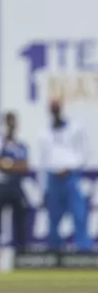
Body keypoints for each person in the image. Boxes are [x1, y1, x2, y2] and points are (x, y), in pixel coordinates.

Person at [38, 99, 92, 252]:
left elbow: (85, 152)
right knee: (53, 218)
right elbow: (42, 161)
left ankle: (83, 250)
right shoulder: (45, 134)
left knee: (79, 214)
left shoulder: (75, 129)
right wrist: (43, 187)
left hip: (71, 176)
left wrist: (70, 167)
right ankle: (55, 252)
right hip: (53, 177)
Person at [0, 112, 28, 250]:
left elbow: (24, 166)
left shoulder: (21, 141)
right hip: (0, 185)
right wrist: (11, 164)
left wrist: (7, 164)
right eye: (9, 122)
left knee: (21, 217)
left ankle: (21, 248)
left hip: (15, 185)